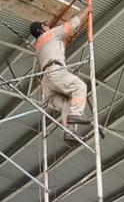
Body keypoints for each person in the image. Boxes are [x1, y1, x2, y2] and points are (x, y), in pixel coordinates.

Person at [30, 12, 90, 143]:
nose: (48, 26)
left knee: (68, 103)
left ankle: (69, 132)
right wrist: (86, 10)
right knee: (80, 87)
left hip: (47, 82)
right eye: (46, 25)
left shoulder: (38, 45)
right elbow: (71, 25)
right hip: (54, 71)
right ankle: (75, 116)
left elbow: (57, 44)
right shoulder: (50, 34)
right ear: (43, 29)